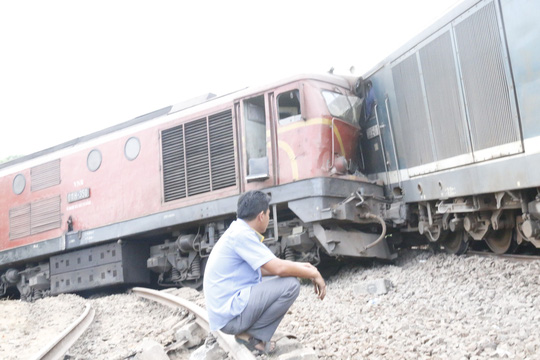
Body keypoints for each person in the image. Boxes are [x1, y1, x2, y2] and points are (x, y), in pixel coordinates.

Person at [203, 190, 326, 354]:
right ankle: (253, 338)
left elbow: (264, 268)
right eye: (268, 214)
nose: (269, 218)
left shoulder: (237, 231)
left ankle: (252, 334)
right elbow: (278, 268)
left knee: (283, 277)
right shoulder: (242, 235)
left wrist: (305, 268)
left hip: (226, 312)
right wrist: (313, 273)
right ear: (261, 216)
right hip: (230, 318)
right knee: (291, 285)